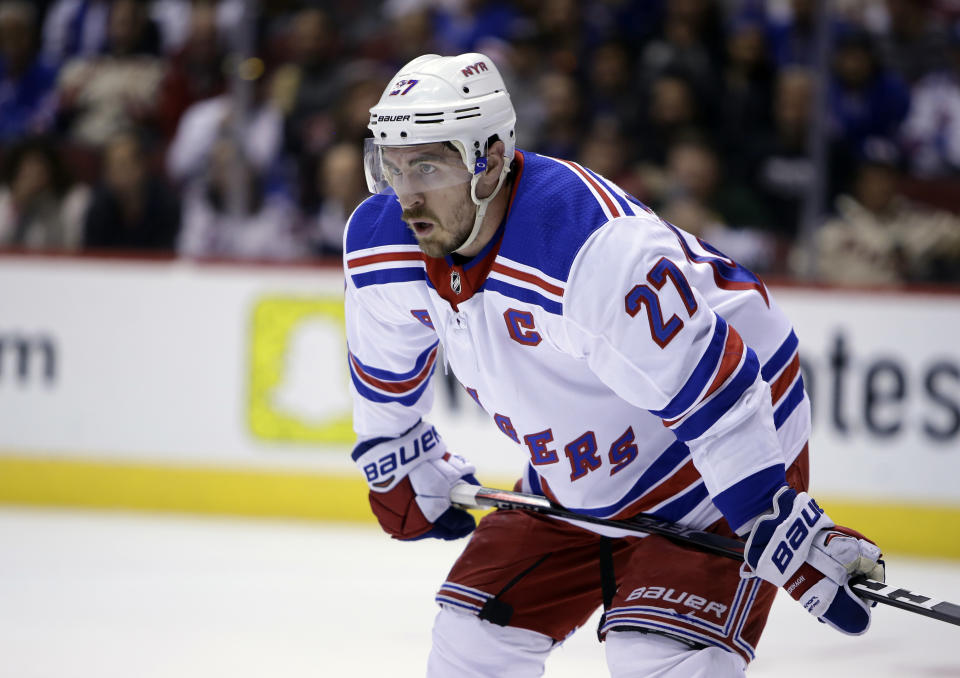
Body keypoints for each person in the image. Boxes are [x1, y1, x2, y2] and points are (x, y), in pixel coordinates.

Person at [343, 53, 885, 677]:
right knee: (470, 644)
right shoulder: (383, 241)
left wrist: (771, 512)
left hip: (708, 463)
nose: (405, 195)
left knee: (653, 661)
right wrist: (398, 450)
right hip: (578, 477)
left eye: (429, 165)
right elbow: (385, 371)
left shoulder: (589, 249)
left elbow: (718, 390)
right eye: (392, 165)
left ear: (487, 159)